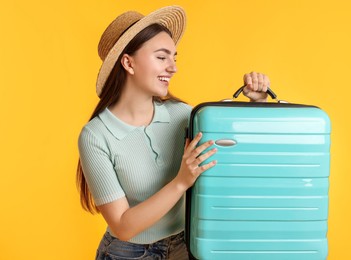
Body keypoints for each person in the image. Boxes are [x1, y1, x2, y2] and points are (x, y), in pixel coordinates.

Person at [77, 5, 270, 260]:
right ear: (128, 63)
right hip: (127, 253)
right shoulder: (95, 135)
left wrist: (258, 103)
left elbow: (238, 149)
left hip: (184, 246)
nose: (173, 68)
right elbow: (122, 226)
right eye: (161, 57)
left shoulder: (183, 114)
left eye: (174, 58)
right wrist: (181, 181)